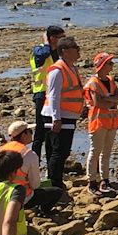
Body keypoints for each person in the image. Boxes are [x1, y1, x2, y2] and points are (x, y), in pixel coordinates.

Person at [39, 36, 86, 194]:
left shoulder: (71, 67)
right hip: (58, 116)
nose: (78, 50)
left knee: (62, 151)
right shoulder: (57, 70)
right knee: (58, 151)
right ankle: (55, 184)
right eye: (75, 48)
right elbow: (53, 95)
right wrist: (56, 118)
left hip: (68, 115)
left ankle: (54, 181)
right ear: (65, 51)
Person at [82, 51, 118, 194]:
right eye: (109, 63)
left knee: (106, 152)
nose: (112, 66)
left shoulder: (110, 80)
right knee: (95, 152)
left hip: (111, 121)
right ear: (102, 65)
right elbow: (97, 103)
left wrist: (108, 99)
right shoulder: (93, 83)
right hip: (98, 121)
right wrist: (110, 100)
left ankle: (105, 180)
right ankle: (91, 182)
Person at [29, 24, 65, 160]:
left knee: (52, 132)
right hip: (41, 94)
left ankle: (50, 166)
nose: (63, 40)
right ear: (52, 38)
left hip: (54, 94)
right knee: (40, 132)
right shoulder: (39, 50)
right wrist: (46, 42)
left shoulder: (57, 54)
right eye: (60, 38)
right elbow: (42, 55)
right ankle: (34, 163)